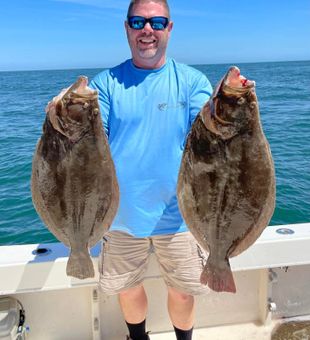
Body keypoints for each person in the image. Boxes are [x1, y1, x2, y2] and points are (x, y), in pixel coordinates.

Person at [89, 1, 213, 339]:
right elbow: (90, 140)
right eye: (138, 21)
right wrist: (62, 119)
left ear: (169, 29)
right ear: (127, 28)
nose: (148, 29)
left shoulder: (191, 82)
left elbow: (210, 140)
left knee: (184, 291)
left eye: (157, 22)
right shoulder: (105, 84)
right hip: (120, 216)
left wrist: (235, 104)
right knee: (128, 289)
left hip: (182, 215)